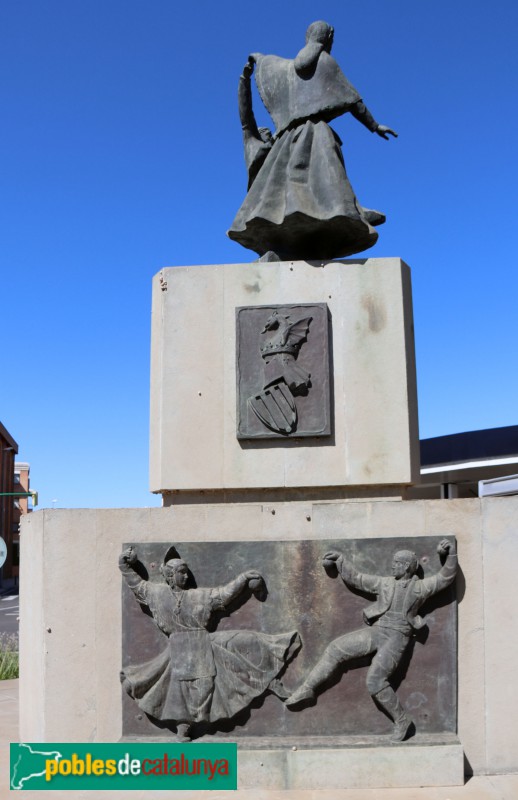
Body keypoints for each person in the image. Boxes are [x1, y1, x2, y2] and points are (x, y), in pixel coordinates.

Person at [228, 20, 397, 261]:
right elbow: (352, 100)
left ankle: (349, 210)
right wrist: (374, 125)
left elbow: (266, 70)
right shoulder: (324, 62)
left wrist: (250, 71)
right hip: (315, 133)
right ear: (327, 38)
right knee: (327, 169)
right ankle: (349, 210)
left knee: (298, 183)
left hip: (286, 141)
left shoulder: (285, 70)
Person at [119, 547, 301, 741]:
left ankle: (266, 678)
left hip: (202, 643)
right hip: (179, 648)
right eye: (182, 573)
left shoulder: (199, 596)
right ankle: (183, 726)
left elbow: (224, 594)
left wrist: (243, 579)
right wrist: (124, 564)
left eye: (186, 572)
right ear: (170, 576)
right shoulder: (156, 593)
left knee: (242, 647)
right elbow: (136, 584)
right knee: (181, 689)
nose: (186, 576)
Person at [286, 539, 458, 742]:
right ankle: (307, 689)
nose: (392, 566)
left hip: (397, 637)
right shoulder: (384, 583)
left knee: (375, 681)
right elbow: (358, 579)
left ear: (406, 566)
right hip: (378, 631)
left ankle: (402, 721)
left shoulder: (421, 587)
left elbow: (445, 578)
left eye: (397, 563)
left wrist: (451, 553)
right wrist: (341, 561)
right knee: (336, 648)